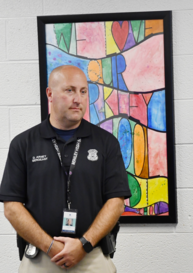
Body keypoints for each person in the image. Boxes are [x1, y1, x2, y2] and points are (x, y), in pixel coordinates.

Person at [0, 65, 131, 272]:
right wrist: (50, 246)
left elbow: (116, 203)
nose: (78, 99)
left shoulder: (106, 143)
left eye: (83, 91)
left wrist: (84, 245)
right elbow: (12, 208)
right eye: (69, 90)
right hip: (41, 258)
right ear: (50, 94)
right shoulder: (23, 143)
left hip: (91, 256)